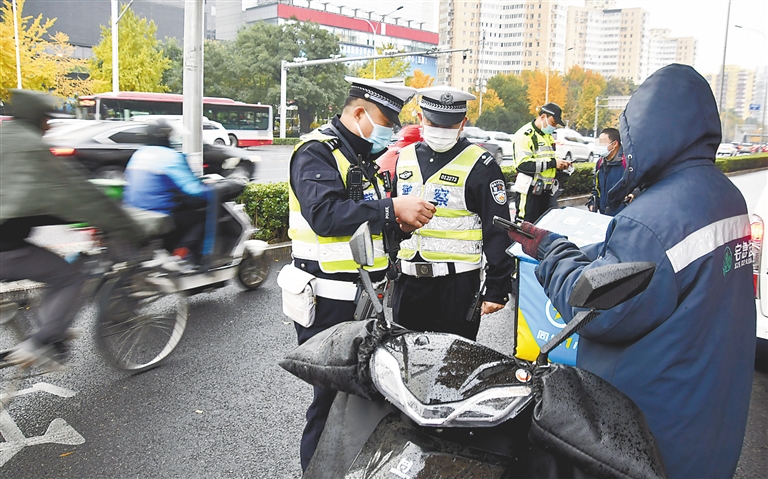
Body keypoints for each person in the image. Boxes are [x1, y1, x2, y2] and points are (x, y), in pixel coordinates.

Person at [505, 64, 754, 479]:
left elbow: (594, 307)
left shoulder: (655, 218)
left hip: (647, 433)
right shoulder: (725, 196)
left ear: (652, 133)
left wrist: (551, 251)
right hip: (706, 417)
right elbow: (655, 269)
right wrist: (589, 251)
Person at [286, 77, 435, 471]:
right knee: (330, 401)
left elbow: (362, 224)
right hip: (328, 302)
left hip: (365, 299)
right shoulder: (316, 152)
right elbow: (325, 215)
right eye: (385, 123)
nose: (389, 133)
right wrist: (392, 208)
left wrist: (397, 226)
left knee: (360, 402)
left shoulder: (359, 159)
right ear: (358, 113)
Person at [0, 89, 146, 368]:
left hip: (8, 238)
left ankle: (51, 326)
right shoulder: (31, 147)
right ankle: (39, 344)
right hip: (5, 247)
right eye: (47, 120)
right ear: (37, 117)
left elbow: (24, 197)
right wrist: (126, 226)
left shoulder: (5, 136)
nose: (49, 127)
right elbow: (79, 195)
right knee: (69, 277)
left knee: (50, 266)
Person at [390, 86, 515, 341]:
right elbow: (392, 217)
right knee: (404, 357)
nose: (441, 130)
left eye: (449, 125)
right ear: (420, 118)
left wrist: (497, 288)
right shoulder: (404, 158)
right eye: (434, 123)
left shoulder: (481, 165)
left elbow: (498, 229)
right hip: (408, 282)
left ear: (463, 123)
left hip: (457, 285)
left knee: (455, 360)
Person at [122, 119, 210, 262]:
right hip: (155, 215)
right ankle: (179, 258)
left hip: (131, 211)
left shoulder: (139, 153)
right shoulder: (170, 156)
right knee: (203, 215)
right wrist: (215, 189)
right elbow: (194, 190)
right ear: (164, 137)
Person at [510, 103, 572, 223]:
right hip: (530, 192)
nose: (553, 127)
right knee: (526, 227)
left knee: (544, 227)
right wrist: (553, 163)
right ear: (543, 116)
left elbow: (547, 159)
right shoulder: (524, 135)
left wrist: (560, 165)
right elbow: (523, 165)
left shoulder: (547, 136)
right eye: (553, 123)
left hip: (546, 193)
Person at [588, 127, 629, 215]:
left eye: (603, 143)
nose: (600, 146)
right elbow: (596, 187)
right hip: (604, 213)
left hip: (622, 215)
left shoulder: (627, 162)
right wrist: (593, 202)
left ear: (614, 144)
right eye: (599, 143)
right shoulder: (600, 163)